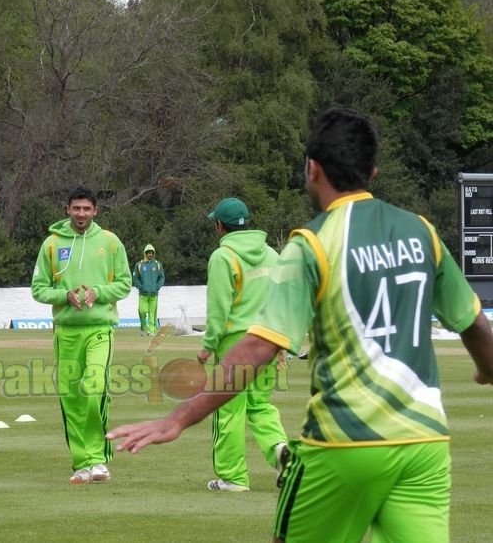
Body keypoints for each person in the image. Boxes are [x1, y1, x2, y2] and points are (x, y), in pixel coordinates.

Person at [108, 108, 493, 542]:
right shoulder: (421, 232)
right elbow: (473, 321)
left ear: (312, 170)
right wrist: (487, 369)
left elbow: (257, 349)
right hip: (424, 444)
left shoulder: (310, 243)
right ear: (373, 170)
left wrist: (176, 420)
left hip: (343, 443)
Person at [32, 186, 132, 484]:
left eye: (87, 209)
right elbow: (38, 289)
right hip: (66, 332)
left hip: (100, 329)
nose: (81, 214)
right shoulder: (51, 244)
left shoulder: (110, 242)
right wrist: (64, 297)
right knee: (72, 398)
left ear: (95, 211)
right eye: (76, 208)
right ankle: (83, 464)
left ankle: (99, 459)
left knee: (94, 389)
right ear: (67, 210)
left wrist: (97, 292)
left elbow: (125, 284)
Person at [198, 197, 288, 492]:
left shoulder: (222, 257)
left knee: (228, 410)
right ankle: (280, 450)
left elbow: (219, 308)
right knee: (261, 405)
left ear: (219, 226)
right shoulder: (273, 255)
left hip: (236, 344)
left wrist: (208, 345)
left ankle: (232, 477)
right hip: (269, 339)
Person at [132, 244, 165, 336]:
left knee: (152, 314)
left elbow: (162, 277)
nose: (150, 254)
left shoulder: (158, 264)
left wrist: (157, 286)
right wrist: (141, 287)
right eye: (148, 253)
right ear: (145, 253)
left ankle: (151, 331)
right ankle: (143, 327)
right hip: (143, 294)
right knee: (142, 311)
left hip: (154, 294)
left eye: (152, 253)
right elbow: (135, 278)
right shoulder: (139, 265)